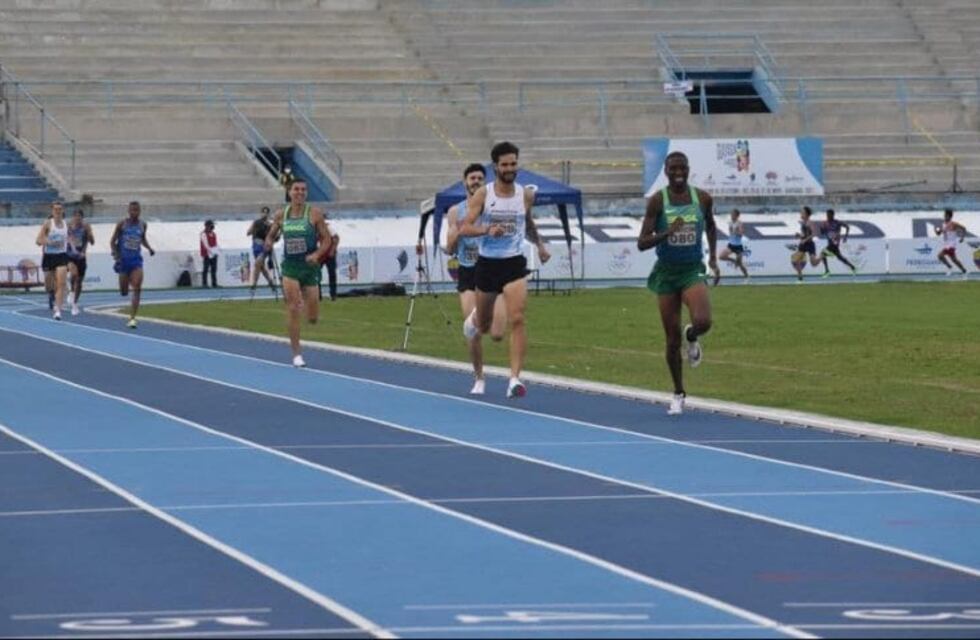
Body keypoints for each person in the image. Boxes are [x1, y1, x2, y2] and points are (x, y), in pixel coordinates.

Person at [459, 141, 550, 398]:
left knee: (518, 318)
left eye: (513, 164)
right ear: (496, 166)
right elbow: (465, 227)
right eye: (505, 164)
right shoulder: (484, 195)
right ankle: (475, 319)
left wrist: (540, 246)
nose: (510, 168)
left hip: (514, 263)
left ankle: (514, 379)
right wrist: (487, 229)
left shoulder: (525, 195)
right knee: (486, 328)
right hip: (488, 264)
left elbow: (528, 224)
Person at [637, 151, 719, 416]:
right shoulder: (657, 201)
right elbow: (642, 243)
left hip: (692, 270)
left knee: (704, 321)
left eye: (681, 168)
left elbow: (711, 226)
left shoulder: (703, 198)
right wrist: (667, 233)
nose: (677, 172)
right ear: (665, 171)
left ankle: (692, 335)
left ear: (688, 169)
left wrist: (714, 259)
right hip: (666, 273)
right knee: (671, 340)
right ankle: (679, 393)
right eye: (673, 168)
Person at [446, 162, 508, 395]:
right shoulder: (455, 211)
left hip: (493, 270)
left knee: (498, 334)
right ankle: (479, 378)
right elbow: (450, 248)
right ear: (465, 182)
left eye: (480, 178)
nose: (475, 182)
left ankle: (484, 311)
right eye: (472, 178)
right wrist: (456, 234)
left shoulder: (496, 209)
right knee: (472, 331)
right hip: (469, 272)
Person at [264, 179, 334, 367]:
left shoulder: (314, 214)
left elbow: (327, 240)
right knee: (293, 308)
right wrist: (269, 241)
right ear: (289, 192)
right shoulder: (281, 215)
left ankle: (309, 307)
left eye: (303, 190)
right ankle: (297, 355)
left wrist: (317, 254)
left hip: (310, 268)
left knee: (312, 317)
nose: (300, 193)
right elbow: (271, 235)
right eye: (296, 189)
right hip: (291, 267)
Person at [109, 201, 156, 329]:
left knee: (137, 288)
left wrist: (149, 248)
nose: (134, 213)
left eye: (137, 210)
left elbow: (142, 239)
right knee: (124, 292)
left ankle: (132, 318)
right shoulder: (122, 224)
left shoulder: (143, 225)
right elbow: (112, 242)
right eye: (132, 210)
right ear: (128, 211)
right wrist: (116, 254)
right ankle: (127, 280)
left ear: (140, 211)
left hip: (136, 261)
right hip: (123, 262)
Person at [35, 201, 70, 320]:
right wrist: (50, 242)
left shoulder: (66, 224)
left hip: (61, 256)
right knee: (49, 285)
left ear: (63, 210)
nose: (58, 211)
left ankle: (58, 310)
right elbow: (38, 240)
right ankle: (51, 294)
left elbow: (70, 239)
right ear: (52, 211)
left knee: (61, 283)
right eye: (55, 209)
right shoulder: (48, 224)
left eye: (60, 209)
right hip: (49, 256)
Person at [65, 208, 94, 315]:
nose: (77, 218)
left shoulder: (86, 227)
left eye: (79, 216)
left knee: (80, 282)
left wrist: (89, 234)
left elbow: (92, 242)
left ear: (82, 218)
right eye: (75, 216)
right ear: (73, 217)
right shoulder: (68, 227)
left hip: (81, 257)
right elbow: (65, 239)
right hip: (70, 256)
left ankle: (74, 304)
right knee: (74, 273)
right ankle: (71, 291)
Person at [247, 206, 278, 293]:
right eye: (263, 212)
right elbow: (248, 232)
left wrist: (271, 232)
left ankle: (253, 285)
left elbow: (275, 237)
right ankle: (271, 283)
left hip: (264, 246)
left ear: (268, 214)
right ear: (261, 213)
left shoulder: (270, 225)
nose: (265, 214)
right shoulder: (256, 222)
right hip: (255, 246)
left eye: (266, 212)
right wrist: (254, 229)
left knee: (257, 263)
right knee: (261, 267)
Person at [819, 208, 857, 277]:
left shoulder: (837, 222)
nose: (827, 216)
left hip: (835, 243)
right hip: (830, 243)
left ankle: (827, 271)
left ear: (832, 215)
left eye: (829, 215)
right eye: (827, 215)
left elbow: (847, 227)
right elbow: (823, 233)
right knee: (840, 258)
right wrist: (822, 229)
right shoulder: (825, 223)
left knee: (822, 253)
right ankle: (853, 267)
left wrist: (845, 237)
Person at [715, 208, 749, 284]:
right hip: (731, 245)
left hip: (738, 246)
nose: (731, 216)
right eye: (731, 214)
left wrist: (736, 232)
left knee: (740, 264)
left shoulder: (739, 223)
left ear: (737, 216)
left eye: (733, 214)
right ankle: (733, 261)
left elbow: (741, 234)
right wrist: (732, 232)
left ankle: (747, 277)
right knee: (721, 256)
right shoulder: (730, 223)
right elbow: (730, 233)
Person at [790, 205, 822, 282]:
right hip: (803, 244)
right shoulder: (802, 223)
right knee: (796, 260)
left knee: (814, 264)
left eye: (802, 212)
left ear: (806, 214)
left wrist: (805, 239)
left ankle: (822, 255)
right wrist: (799, 235)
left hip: (810, 244)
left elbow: (814, 234)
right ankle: (800, 278)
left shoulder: (810, 223)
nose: (801, 213)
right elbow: (804, 234)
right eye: (801, 212)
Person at [935, 208, 969, 278]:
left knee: (940, 256)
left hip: (951, 244)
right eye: (944, 215)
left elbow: (964, 228)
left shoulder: (954, 224)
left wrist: (962, 237)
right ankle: (964, 271)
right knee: (954, 260)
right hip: (946, 244)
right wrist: (936, 231)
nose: (944, 216)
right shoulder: (944, 224)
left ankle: (950, 267)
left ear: (950, 216)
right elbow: (939, 233)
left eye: (946, 215)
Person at [319, 231, 340, 301]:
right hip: (320, 254)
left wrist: (332, 250)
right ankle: (318, 295)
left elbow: (336, 238)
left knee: (332, 274)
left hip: (329, 255)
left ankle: (333, 295)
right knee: (316, 274)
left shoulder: (328, 227)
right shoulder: (313, 227)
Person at [199, 219, 220, 288]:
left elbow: (215, 243)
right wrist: (211, 252)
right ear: (207, 226)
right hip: (207, 254)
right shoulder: (203, 234)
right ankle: (204, 283)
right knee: (206, 268)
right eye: (211, 225)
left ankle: (214, 283)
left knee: (214, 269)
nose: (213, 227)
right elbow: (206, 245)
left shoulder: (214, 234)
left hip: (214, 254)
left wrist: (217, 250)